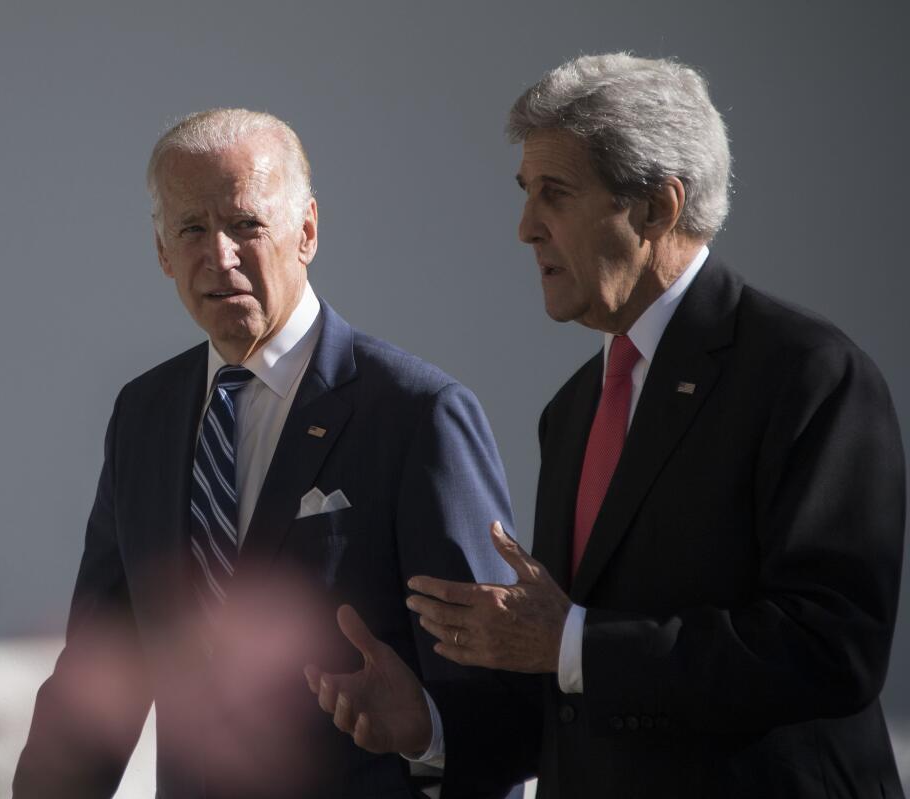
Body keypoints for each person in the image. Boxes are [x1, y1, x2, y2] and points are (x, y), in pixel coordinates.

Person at [307, 53, 906, 798]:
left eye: (554, 194)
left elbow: (830, 649)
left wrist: (571, 640)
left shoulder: (810, 375)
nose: (526, 227)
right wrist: (427, 726)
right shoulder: (575, 407)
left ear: (658, 207)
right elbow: (573, 689)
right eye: (526, 193)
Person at [12, 108, 516, 798]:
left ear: (305, 231)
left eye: (246, 224)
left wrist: (429, 729)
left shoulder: (416, 413)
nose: (220, 256)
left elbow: (490, 708)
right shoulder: (144, 415)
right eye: (192, 229)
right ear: (162, 252)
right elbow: (103, 662)